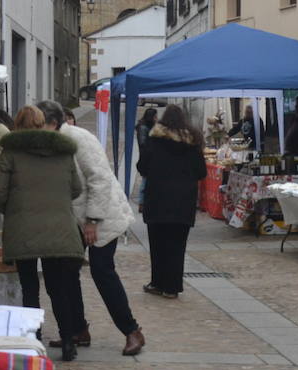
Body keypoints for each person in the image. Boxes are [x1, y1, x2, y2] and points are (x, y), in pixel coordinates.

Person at [38, 99, 145, 355]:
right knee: (67, 273)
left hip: (101, 216)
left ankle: (132, 331)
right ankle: (78, 329)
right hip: (73, 217)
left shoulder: (79, 138)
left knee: (102, 272)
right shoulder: (51, 143)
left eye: (39, 123)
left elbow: (99, 178)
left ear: (52, 123)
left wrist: (93, 220)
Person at [0, 105, 86, 360]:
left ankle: (34, 339)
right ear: (43, 123)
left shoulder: (10, 152)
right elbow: (76, 189)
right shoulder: (63, 151)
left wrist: (13, 209)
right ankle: (68, 341)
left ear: (17, 125)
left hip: (24, 228)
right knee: (58, 287)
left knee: (29, 286)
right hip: (59, 229)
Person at [137, 104, 207, 299]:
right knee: (177, 245)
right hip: (183, 201)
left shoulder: (155, 140)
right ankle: (172, 287)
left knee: (157, 244)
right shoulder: (192, 143)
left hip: (157, 199)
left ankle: (157, 282)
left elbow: (142, 166)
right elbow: (201, 172)